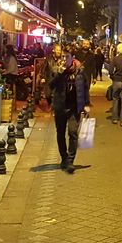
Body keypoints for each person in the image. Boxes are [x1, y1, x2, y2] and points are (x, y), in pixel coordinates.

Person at [42, 45, 90, 173]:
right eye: (62, 57)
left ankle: (70, 160)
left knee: (73, 132)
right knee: (60, 132)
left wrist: (86, 104)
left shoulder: (79, 70)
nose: (64, 60)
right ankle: (63, 157)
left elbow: (85, 87)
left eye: (66, 58)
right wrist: (59, 73)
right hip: (60, 105)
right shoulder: (56, 69)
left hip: (74, 106)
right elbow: (50, 84)